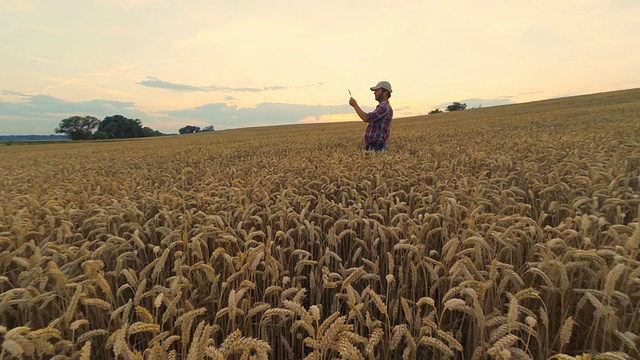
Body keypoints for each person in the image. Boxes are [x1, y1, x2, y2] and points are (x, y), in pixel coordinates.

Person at [349, 81, 393, 152]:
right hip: (373, 146)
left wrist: (355, 105)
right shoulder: (382, 107)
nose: (374, 92)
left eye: (377, 90)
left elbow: (366, 118)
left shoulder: (384, 107)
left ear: (385, 92)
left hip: (376, 147)